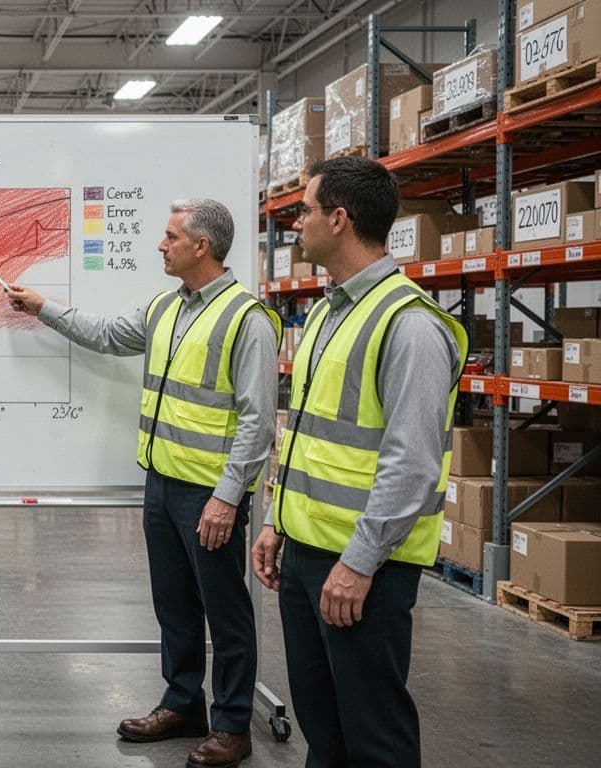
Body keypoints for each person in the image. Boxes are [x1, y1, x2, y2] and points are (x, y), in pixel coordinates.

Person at [7, 199, 279, 768]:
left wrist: (228, 497)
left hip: (210, 495)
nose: (161, 244)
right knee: (174, 606)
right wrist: (42, 307)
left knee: (226, 612)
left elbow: (258, 423)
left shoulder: (246, 318)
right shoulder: (164, 308)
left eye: (171, 236)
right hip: (161, 483)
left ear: (201, 246)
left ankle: (232, 724)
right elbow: (107, 335)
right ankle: (183, 703)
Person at [251, 157, 467, 768]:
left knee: (374, 736)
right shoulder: (326, 312)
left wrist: (359, 562)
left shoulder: (409, 324)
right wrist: (275, 520)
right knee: (324, 730)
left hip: (364, 566)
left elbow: (412, 463)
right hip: (307, 552)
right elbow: (306, 435)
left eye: (305, 211)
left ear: (340, 219)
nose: (296, 223)